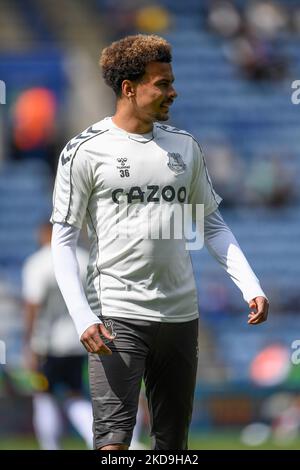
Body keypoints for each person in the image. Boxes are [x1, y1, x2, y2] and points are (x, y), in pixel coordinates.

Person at [50, 34, 269, 450]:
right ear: (129, 89)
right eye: (162, 83)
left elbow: (213, 224)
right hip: (117, 314)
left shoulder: (185, 147)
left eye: (172, 81)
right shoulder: (85, 151)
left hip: (180, 316)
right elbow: (63, 241)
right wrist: (83, 317)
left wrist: (251, 285)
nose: (174, 91)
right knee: (113, 442)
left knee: (172, 446)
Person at [22, 222, 93, 450]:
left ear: (45, 234)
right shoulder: (84, 260)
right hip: (80, 341)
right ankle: (96, 439)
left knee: (44, 396)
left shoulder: (37, 264)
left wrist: (29, 345)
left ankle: (50, 446)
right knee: (75, 394)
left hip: (47, 345)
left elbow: (33, 305)